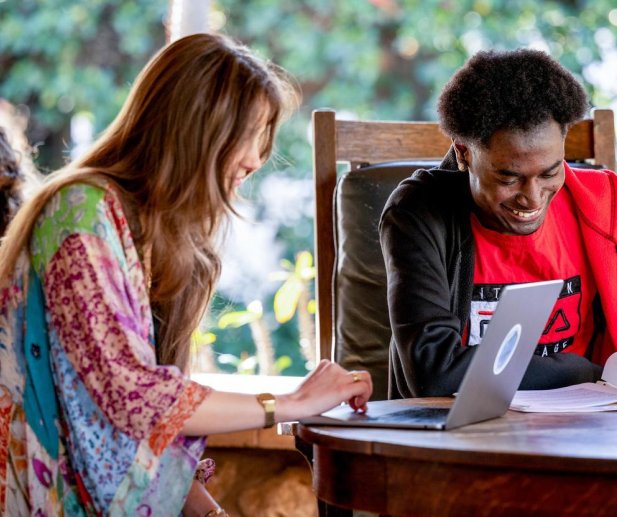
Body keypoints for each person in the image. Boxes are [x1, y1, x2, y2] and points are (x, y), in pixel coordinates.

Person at [0, 33, 372, 516]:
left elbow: (155, 415)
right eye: (250, 135)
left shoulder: (160, 237)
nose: (256, 160)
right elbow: (133, 394)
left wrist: (211, 512)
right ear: (197, 130)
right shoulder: (81, 212)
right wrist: (291, 401)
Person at [379, 48, 617, 399]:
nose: (532, 197)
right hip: (463, 439)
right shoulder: (418, 214)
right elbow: (436, 372)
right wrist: (585, 372)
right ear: (464, 153)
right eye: (509, 177)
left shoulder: (604, 205)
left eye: (550, 172)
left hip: (588, 432)